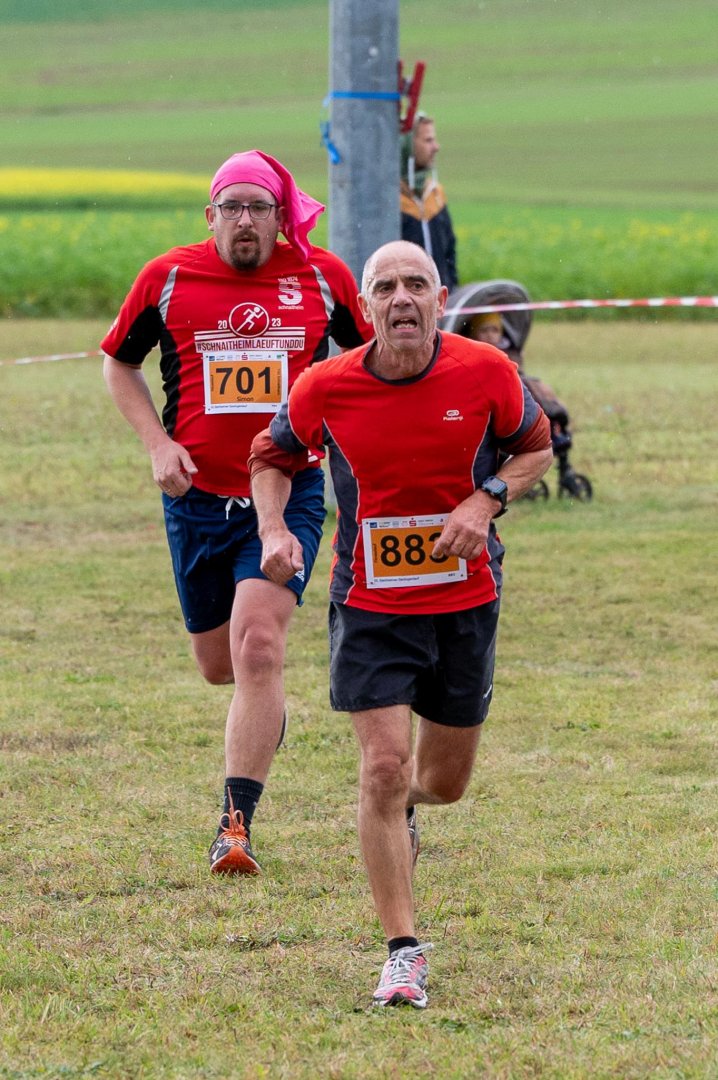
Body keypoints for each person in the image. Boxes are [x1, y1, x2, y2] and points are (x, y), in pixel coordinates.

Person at [248, 240, 553, 1008]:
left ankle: (406, 809)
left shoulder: (487, 372)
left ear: (441, 299)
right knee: (383, 768)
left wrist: (485, 501)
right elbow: (271, 457)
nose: (402, 298)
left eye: (417, 284)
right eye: (385, 287)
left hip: (464, 602)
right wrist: (274, 529)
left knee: (442, 783)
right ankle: (402, 951)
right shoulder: (326, 385)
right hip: (371, 605)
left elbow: (536, 447)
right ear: (366, 307)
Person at [101, 149, 371, 877]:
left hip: (288, 490)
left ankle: (234, 826)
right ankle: (265, 708)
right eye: (232, 207)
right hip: (194, 499)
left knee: (258, 647)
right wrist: (157, 444)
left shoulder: (323, 277)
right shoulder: (167, 278)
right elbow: (119, 363)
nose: (245, 220)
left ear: (281, 217)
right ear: (210, 215)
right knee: (220, 666)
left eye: (259, 207)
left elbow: (371, 363)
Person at [400, 113, 458, 291]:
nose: (436, 147)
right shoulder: (385, 201)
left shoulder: (436, 193)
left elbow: (450, 254)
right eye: (428, 140)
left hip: (440, 300)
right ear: (407, 146)